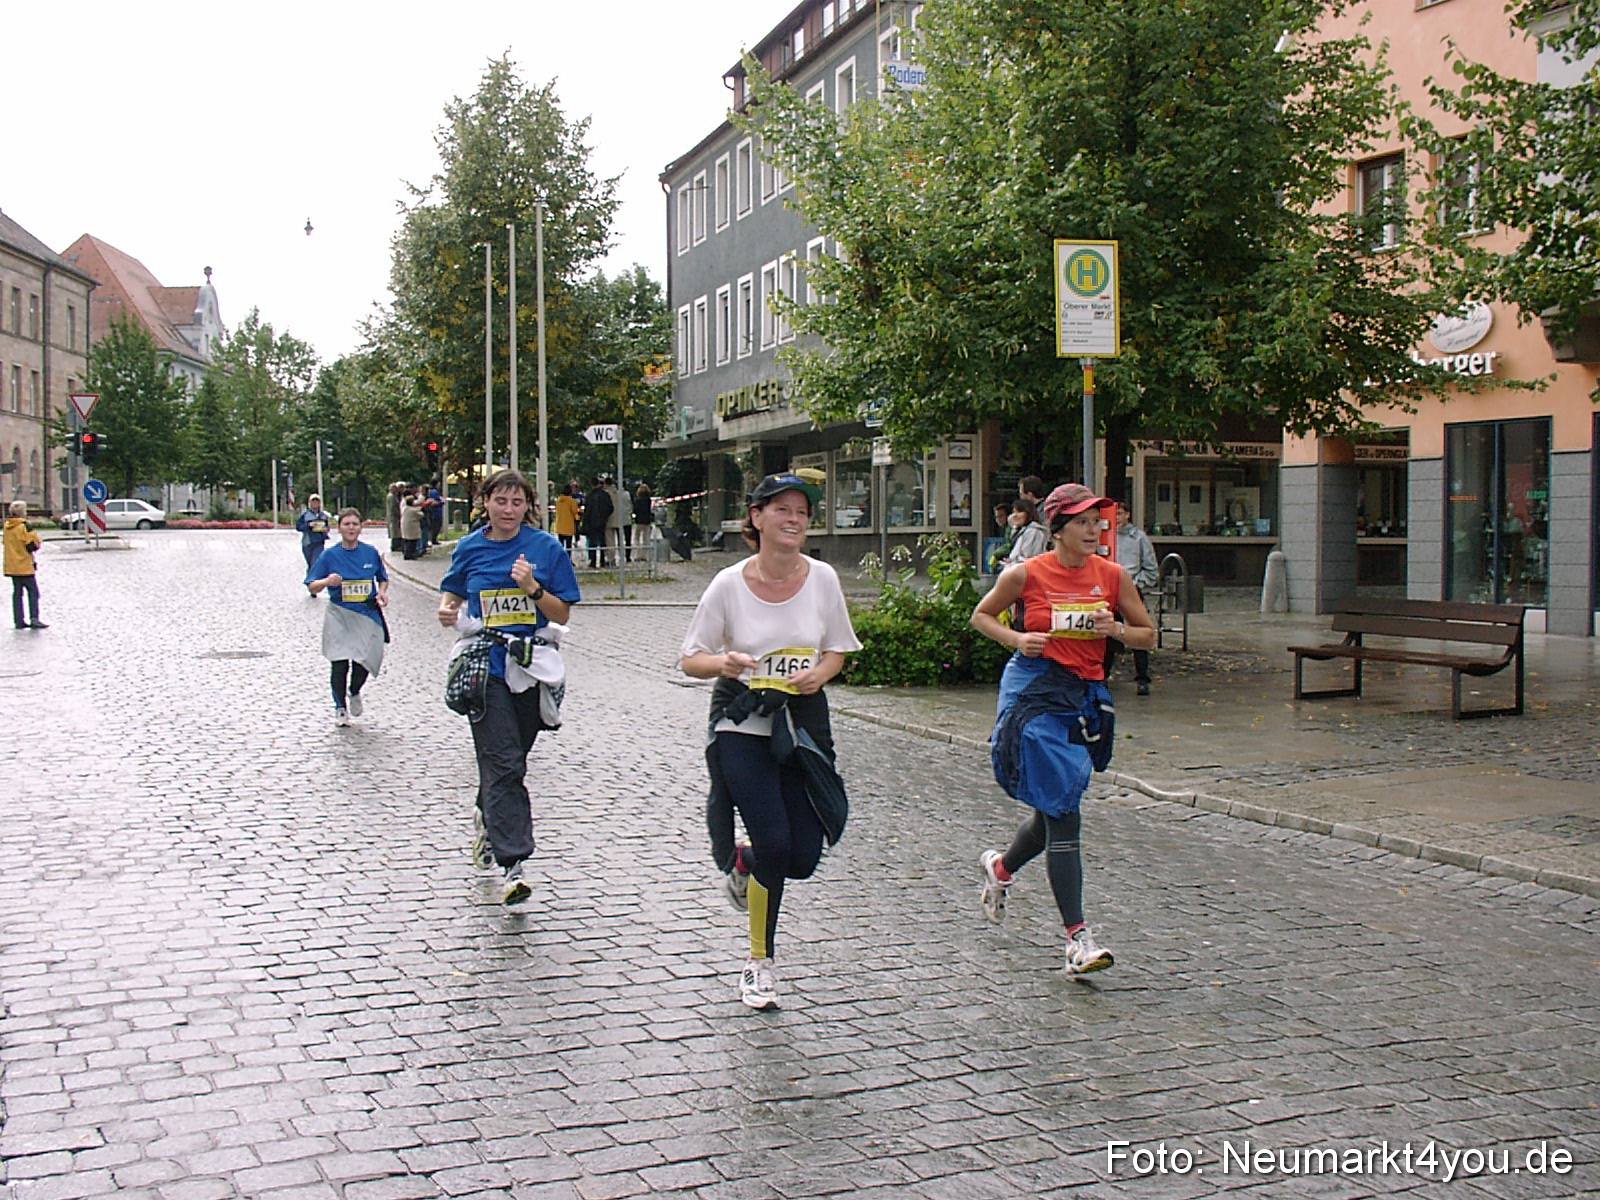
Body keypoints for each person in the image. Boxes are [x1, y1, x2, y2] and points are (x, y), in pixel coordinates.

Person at [680, 472, 861, 1010]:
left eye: (802, 512)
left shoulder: (824, 578)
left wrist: (820, 675)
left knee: (801, 856)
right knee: (776, 843)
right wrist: (725, 663)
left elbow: (837, 650)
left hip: (801, 722)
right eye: (781, 509)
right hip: (741, 722)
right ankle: (760, 964)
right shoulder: (728, 584)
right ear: (755, 518)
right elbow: (691, 659)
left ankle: (747, 864)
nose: (793, 520)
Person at [970, 483, 1156, 975]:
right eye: (1083, 522)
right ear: (1058, 529)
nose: (1095, 530)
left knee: (1054, 806)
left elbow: (1148, 635)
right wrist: (1018, 637)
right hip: (1032, 692)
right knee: (1065, 810)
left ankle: (1001, 867)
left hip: (1081, 694)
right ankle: (1078, 939)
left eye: (1098, 521)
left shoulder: (1113, 577)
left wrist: (1115, 630)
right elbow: (981, 615)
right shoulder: (1026, 574)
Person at [438, 468, 581, 906]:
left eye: (517, 503)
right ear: (486, 502)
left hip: (534, 666)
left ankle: (487, 814)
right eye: (500, 501)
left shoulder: (546, 548)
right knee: (503, 763)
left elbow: (562, 615)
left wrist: (532, 588)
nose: (508, 510)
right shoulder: (469, 548)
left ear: (527, 506)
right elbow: (452, 594)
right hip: (486, 667)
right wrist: (447, 610)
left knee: (512, 757)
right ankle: (513, 863)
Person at [305, 507, 389, 726]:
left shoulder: (370, 552)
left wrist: (381, 592)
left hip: (366, 614)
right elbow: (312, 586)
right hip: (340, 615)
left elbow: (382, 578)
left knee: (364, 662)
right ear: (339, 528)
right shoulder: (329, 555)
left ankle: (354, 691)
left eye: (355, 524)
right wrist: (326, 582)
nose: (351, 528)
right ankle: (340, 707)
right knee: (340, 663)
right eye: (346, 524)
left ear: (361, 528)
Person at [1114, 499, 1159, 695]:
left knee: (1138, 632)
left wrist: (1134, 584)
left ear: (1127, 515)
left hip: (1131, 588)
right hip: (1109, 590)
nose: (1116, 519)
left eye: (1120, 514)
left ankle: (1142, 676)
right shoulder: (1103, 536)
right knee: (1106, 633)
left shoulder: (1138, 538)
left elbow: (1151, 570)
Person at [5, 501, 46, 629]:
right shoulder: (24, 526)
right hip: (24, 565)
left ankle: (18, 620)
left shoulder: (7, 527)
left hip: (12, 565)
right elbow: (31, 546)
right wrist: (36, 539)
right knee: (33, 592)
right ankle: (34, 618)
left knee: (17, 593)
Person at [1002, 496, 1049, 566]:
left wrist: (1013, 562)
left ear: (1028, 513)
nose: (1015, 515)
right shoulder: (1022, 531)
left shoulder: (1033, 531)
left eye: (1019, 511)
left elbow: (1028, 557)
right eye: (1014, 512)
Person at [581, 474, 612, 568]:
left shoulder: (589, 496)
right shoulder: (605, 495)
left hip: (591, 522)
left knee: (592, 543)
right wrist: (605, 517)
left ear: (591, 484)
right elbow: (610, 508)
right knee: (602, 542)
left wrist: (585, 521)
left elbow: (587, 510)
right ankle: (602, 560)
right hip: (602, 522)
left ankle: (593, 561)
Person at [295, 494, 331, 572]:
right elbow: (298, 527)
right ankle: (310, 579)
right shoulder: (305, 515)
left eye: (317, 502)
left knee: (316, 562)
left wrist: (326, 529)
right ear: (309, 503)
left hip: (319, 542)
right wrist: (308, 525)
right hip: (308, 542)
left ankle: (315, 580)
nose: (315, 504)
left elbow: (327, 526)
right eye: (313, 501)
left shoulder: (323, 515)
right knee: (310, 563)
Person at [399, 485, 426, 560]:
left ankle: (406, 553)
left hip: (404, 526)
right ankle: (410, 555)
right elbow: (421, 515)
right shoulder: (413, 510)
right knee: (412, 542)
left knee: (406, 540)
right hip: (412, 528)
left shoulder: (404, 508)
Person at [552, 483, 580, 554]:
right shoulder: (571, 501)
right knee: (568, 546)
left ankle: (560, 560)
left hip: (559, 525)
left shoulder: (558, 500)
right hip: (568, 526)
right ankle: (568, 560)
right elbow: (574, 511)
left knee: (560, 545)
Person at [631, 483, 655, 562]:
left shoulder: (637, 501)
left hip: (638, 521)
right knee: (646, 539)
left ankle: (638, 555)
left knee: (637, 538)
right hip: (647, 521)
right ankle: (645, 556)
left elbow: (635, 511)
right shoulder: (649, 501)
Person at [385, 482, 404, 553]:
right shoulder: (391, 497)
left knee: (396, 531)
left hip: (394, 517)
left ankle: (396, 545)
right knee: (395, 531)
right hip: (393, 517)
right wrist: (398, 513)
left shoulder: (393, 496)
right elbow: (393, 507)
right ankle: (395, 546)